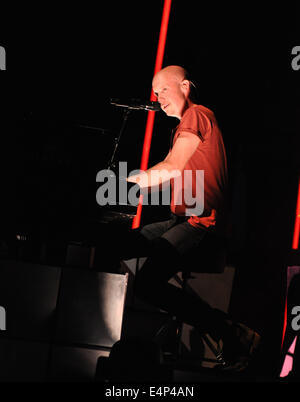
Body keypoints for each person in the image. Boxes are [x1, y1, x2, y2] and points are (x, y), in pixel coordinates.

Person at [122, 65, 261, 371]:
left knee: (147, 283)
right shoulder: (187, 123)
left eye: (163, 90)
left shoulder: (196, 115)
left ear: (184, 86)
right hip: (180, 220)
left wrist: (124, 184)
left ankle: (231, 333)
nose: (158, 99)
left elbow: (171, 167)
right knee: (120, 243)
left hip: (200, 224)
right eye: (155, 94)